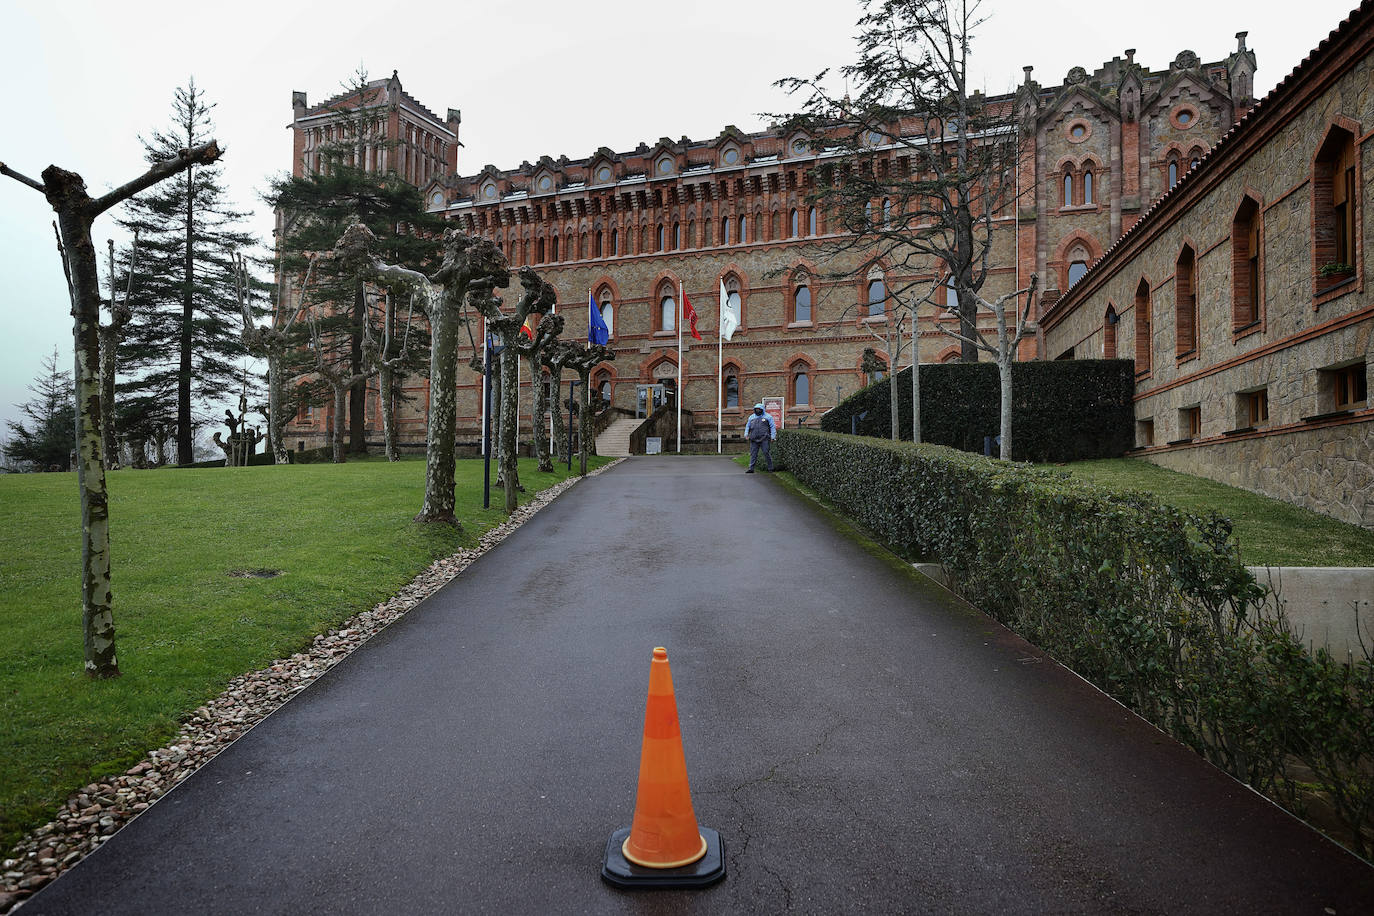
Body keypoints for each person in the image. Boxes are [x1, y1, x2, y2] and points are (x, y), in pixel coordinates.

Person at [744, 403, 775, 473]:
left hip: (764, 438)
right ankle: (751, 468)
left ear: (762, 410)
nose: (757, 411)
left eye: (759, 409)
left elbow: (772, 427)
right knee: (753, 454)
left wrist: (773, 437)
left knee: (766, 452)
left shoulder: (768, 417)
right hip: (753, 439)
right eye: (756, 409)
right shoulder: (751, 417)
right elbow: (747, 426)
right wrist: (746, 434)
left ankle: (770, 468)